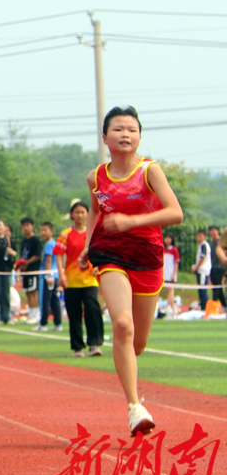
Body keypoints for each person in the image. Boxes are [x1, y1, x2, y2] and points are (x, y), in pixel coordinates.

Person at [82, 106, 183, 436]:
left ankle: (133, 385)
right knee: (122, 325)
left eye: (132, 129)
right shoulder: (96, 177)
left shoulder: (150, 171)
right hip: (111, 255)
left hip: (148, 258)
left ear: (140, 137)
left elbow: (175, 213)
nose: (125, 134)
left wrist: (132, 221)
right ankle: (134, 407)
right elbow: (96, 212)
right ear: (105, 138)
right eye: (118, 129)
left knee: (136, 344)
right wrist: (87, 246)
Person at [55, 201, 103, 357]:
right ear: (71, 215)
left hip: (90, 280)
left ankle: (94, 344)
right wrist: (61, 275)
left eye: (83, 212)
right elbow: (58, 255)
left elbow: (101, 251)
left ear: (88, 214)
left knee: (92, 310)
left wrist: (98, 266)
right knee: (74, 314)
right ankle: (77, 348)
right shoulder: (66, 234)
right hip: (72, 281)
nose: (80, 215)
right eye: (77, 212)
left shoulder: (93, 232)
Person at [36, 221, 63, 332]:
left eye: (45, 230)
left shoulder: (49, 244)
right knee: (54, 300)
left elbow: (48, 260)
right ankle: (58, 323)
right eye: (41, 230)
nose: (43, 233)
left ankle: (43, 323)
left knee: (45, 300)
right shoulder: (54, 243)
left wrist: (47, 275)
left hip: (48, 276)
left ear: (51, 231)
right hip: (55, 275)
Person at [17, 217, 42, 324]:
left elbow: (37, 255)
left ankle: (36, 314)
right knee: (27, 291)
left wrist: (26, 263)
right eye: (24, 226)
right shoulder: (24, 241)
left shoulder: (35, 240)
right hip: (25, 270)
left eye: (28, 225)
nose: (26, 228)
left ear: (32, 226)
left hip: (33, 269)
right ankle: (31, 314)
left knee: (33, 292)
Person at [161, 233, 180, 318]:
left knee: (171, 290)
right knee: (167, 290)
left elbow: (176, 262)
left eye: (169, 238)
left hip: (171, 272)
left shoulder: (174, 250)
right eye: (166, 238)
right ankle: (172, 307)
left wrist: (174, 273)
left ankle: (170, 307)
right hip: (165, 273)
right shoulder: (163, 249)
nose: (168, 240)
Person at [192, 229, 211, 311]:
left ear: (204, 236)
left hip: (203, 271)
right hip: (201, 270)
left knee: (203, 290)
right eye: (197, 236)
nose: (198, 238)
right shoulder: (201, 246)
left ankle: (205, 308)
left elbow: (202, 258)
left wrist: (196, 267)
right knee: (200, 289)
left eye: (200, 236)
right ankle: (203, 306)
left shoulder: (204, 245)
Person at [208, 226, 226, 307]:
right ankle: (224, 305)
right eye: (210, 231)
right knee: (217, 286)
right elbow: (219, 249)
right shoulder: (212, 243)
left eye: (213, 231)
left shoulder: (219, 242)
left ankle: (214, 302)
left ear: (218, 231)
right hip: (213, 267)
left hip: (220, 267)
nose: (212, 232)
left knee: (217, 287)